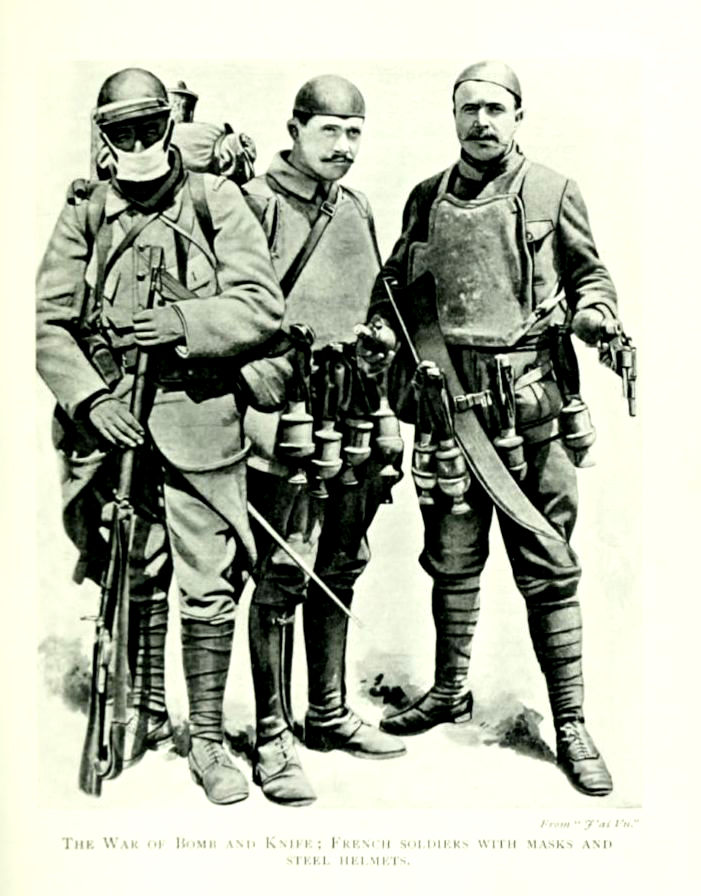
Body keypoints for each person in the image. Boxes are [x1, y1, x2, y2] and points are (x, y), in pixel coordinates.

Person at [369, 61, 623, 797]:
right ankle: (449, 691)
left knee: (547, 563)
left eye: (494, 109)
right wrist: (379, 335)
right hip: (449, 412)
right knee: (450, 560)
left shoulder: (551, 191)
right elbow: (393, 292)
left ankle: (569, 722)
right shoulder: (423, 199)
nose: (480, 121)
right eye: (467, 109)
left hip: (532, 414)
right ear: (453, 117)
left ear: (518, 116)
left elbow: (591, 276)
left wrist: (594, 313)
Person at [36, 67, 284, 805]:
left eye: (150, 128)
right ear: (104, 137)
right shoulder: (85, 212)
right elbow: (47, 322)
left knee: (208, 584)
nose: (139, 143)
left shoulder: (215, 200)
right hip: (114, 421)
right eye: (123, 133)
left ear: (169, 127)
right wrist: (87, 401)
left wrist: (184, 324)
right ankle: (143, 711)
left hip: (200, 415)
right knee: (133, 569)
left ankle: (205, 738)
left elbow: (261, 307)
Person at [240, 74, 405, 807]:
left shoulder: (357, 207)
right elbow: (229, 315)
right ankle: (271, 735)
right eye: (329, 130)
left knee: (342, 561)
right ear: (296, 128)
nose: (342, 146)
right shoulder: (255, 202)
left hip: (352, 411)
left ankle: (328, 713)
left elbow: (377, 304)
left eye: (354, 132)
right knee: (283, 568)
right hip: (288, 414)